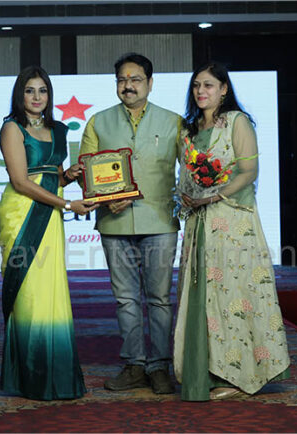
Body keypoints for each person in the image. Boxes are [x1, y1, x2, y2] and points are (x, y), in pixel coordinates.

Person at [173, 62, 290, 401]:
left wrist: (215, 195)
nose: (201, 91)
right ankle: (205, 373)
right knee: (201, 297)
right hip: (199, 224)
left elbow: (249, 170)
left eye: (208, 85)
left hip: (233, 222)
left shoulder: (237, 122)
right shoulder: (189, 130)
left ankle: (239, 374)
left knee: (234, 295)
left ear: (224, 89)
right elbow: (185, 176)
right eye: (196, 85)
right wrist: (186, 196)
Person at [79, 53, 182, 394]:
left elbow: (191, 169)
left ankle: (160, 366)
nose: (128, 86)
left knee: (159, 298)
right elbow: (86, 172)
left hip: (160, 221)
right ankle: (134, 365)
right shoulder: (98, 122)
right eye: (122, 80)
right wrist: (104, 199)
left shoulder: (175, 122)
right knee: (125, 299)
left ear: (150, 83)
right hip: (114, 222)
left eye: (136, 79)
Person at [0, 66, 98, 400]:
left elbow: (53, 174)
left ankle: (57, 376)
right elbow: (21, 181)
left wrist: (69, 175)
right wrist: (67, 205)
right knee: (29, 295)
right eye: (30, 90)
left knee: (51, 292)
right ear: (20, 94)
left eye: (42, 90)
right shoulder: (12, 128)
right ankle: (31, 378)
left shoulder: (56, 129)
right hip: (23, 214)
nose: (37, 97)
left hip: (50, 213)